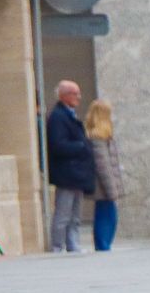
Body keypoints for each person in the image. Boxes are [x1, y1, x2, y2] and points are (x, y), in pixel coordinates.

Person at [44, 81, 94, 252]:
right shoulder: (58, 117)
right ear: (63, 96)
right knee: (63, 213)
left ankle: (73, 244)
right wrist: (81, 146)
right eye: (74, 93)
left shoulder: (69, 114)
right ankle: (57, 246)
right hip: (66, 173)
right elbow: (57, 145)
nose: (78, 97)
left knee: (75, 214)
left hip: (76, 173)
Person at [85, 99, 124, 250]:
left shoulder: (102, 136)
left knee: (108, 214)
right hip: (102, 185)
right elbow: (103, 165)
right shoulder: (98, 137)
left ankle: (104, 244)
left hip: (104, 185)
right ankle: (103, 245)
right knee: (107, 216)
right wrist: (111, 189)